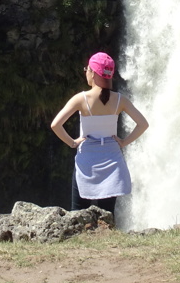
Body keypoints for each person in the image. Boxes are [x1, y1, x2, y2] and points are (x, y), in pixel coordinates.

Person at [50, 52, 148, 217]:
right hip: (112, 161)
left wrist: (73, 143)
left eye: (87, 69)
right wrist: (123, 142)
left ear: (93, 73)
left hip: (87, 161)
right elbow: (143, 124)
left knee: (78, 213)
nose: (86, 72)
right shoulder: (119, 100)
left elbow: (55, 124)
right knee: (107, 214)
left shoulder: (81, 99)